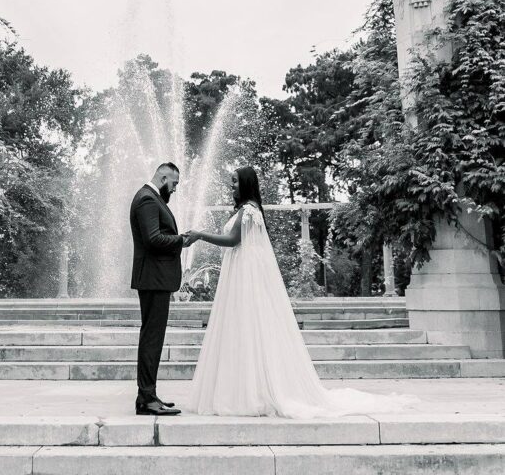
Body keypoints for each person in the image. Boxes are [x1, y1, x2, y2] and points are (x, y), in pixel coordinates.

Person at [184, 166, 418, 417]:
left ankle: (254, 391)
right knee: (242, 328)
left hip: (244, 276)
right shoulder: (247, 210)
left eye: (235, 182)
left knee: (249, 328)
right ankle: (242, 388)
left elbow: (232, 240)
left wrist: (199, 235)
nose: (231, 186)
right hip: (240, 274)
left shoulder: (250, 210)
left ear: (246, 184)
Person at [129, 162, 192, 416]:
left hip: (155, 278)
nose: (174, 189)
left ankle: (149, 395)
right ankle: (146, 399)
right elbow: (152, 239)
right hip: (153, 279)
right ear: (163, 177)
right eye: (174, 183)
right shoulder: (147, 199)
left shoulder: (151, 198)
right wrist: (182, 241)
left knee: (153, 338)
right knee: (151, 338)